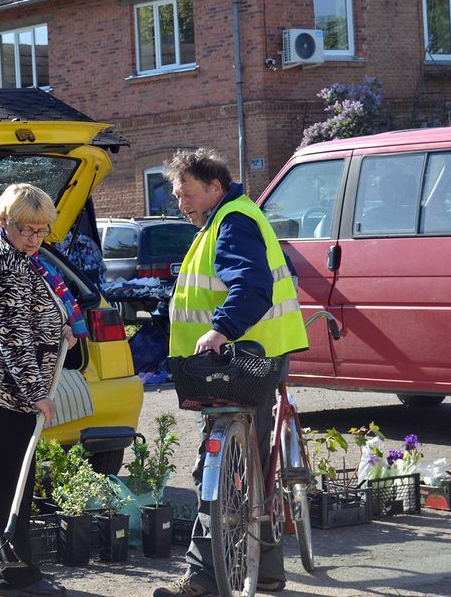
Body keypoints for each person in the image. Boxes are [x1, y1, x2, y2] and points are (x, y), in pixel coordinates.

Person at [155, 150, 308, 597]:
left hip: (244, 360)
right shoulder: (228, 218)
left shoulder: (233, 221)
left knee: (218, 469)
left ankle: (204, 577)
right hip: (249, 355)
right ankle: (267, 571)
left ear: (215, 188)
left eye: (187, 194)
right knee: (253, 465)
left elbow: (253, 285)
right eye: (177, 195)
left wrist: (221, 329)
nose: (181, 203)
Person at [0, 184, 83, 597]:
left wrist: (59, 327)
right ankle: (18, 578)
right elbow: (13, 337)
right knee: (11, 482)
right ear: (4, 221)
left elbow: (32, 311)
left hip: (7, 387)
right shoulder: (3, 263)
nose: (35, 238)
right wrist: (36, 393)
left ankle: (4, 570)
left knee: (11, 480)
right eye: (27, 229)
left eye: (42, 230)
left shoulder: (20, 255)